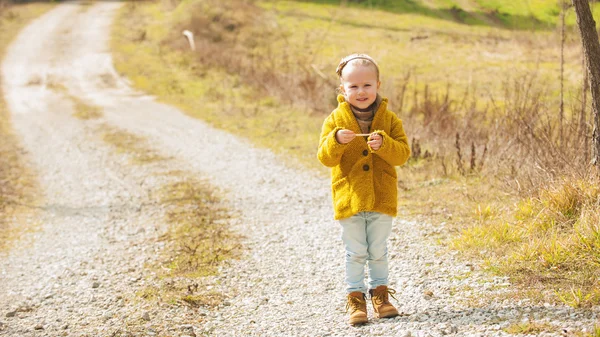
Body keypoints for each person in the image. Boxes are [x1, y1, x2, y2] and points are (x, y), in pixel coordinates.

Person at [317, 53, 411, 325]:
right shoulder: (335, 120)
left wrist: (385, 146)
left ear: (378, 85)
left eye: (367, 85)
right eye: (353, 87)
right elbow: (325, 158)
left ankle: (381, 295)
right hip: (350, 198)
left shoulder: (390, 120)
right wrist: (336, 141)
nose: (361, 92)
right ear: (342, 89)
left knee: (378, 250)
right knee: (356, 251)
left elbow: (402, 155)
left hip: (382, 197)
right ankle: (355, 298)